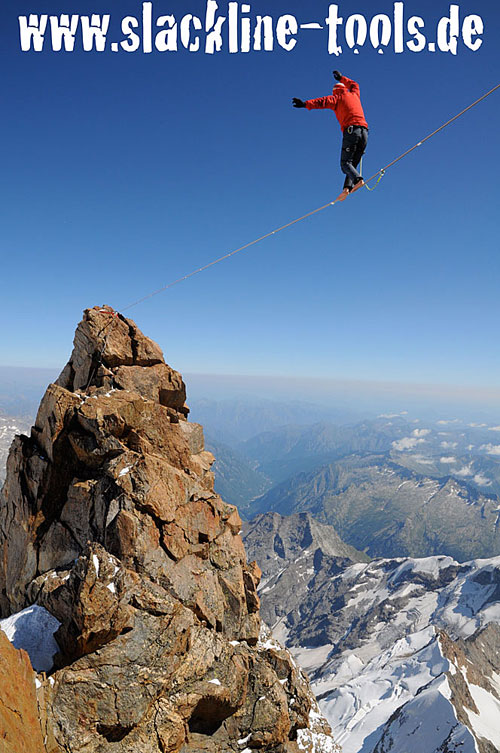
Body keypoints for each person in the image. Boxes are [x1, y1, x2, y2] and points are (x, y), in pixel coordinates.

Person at [293, 71, 369, 201]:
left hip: (351, 131)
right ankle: (346, 189)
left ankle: (358, 180)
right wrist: (342, 78)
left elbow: (321, 102)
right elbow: (355, 84)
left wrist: (305, 104)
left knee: (345, 163)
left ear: (335, 92)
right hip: (365, 132)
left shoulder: (336, 99)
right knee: (352, 164)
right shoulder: (354, 93)